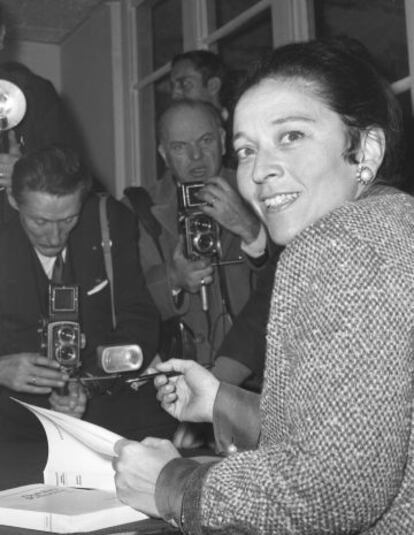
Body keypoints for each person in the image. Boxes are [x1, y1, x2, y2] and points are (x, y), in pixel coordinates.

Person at [114, 37, 414, 533]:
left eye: (292, 135)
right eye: (247, 149)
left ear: (366, 148)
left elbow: (336, 490)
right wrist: (219, 402)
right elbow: (359, 430)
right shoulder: (394, 221)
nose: (260, 170)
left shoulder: (336, 245)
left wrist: (174, 484)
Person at [0, 144, 176, 442]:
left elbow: (139, 319)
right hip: (14, 429)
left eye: (68, 220)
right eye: (40, 221)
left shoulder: (111, 221)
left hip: (111, 417)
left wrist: (89, 382)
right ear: (13, 200)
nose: (54, 237)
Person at [138, 98, 264, 368]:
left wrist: (251, 230)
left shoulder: (260, 191)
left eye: (205, 141)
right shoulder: (139, 209)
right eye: (180, 147)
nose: (196, 156)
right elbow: (124, 307)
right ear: (163, 154)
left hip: (254, 376)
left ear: (222, 139)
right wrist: (172, 279)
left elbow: (298, 284)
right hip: (177, 378)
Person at [0, 2, 81, 225]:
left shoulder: (35, 93)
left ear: (1, 35)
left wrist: (25, 170)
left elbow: (72, 170)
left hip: (17, 230)